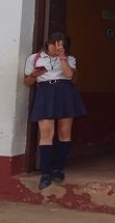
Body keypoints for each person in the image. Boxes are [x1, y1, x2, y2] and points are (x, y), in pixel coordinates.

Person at [24, 32, 86, 190]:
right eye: (54, 44)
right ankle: (45, 173)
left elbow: (69, 74)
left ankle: (58, 169)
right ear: (48, 42)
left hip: (65, 92)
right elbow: (28, 82)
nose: (57, 48)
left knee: (64, 132)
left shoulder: (69, 59)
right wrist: (34, 74)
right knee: (46, 133)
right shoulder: (34, 58)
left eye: (61, 45)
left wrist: (62, 57)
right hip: (45, 93)